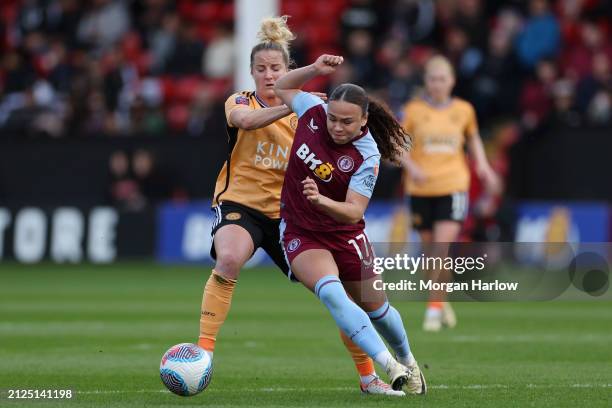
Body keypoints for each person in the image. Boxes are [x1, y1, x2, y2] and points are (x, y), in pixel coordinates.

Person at [197, 16, 398, 396]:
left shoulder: (316, 115)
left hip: (292, 217)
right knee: (228, 258)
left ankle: (369, 377)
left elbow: (349, 144)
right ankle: (204, 351)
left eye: (276, 68)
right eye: (261, 69)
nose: (269, 75)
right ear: (252, 72)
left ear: (287, 71)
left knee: (341, 296)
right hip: (242, 204)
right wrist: (293, 107)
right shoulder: (242, 101)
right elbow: (247, 121)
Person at [274, 54, 427, 395]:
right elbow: (282, 86)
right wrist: (314, 70)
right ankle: (389, 365)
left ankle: (409, 361)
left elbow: (354, 212)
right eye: (333, 119)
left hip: (344, 235)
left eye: (347, 122)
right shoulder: (311, 113)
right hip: (301, 231)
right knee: (332, 292)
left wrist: (321, 200)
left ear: (363, 121)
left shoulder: (367, 154)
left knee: (378, 309)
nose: (337, 127)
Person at [399, 55, 500, 331]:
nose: (438, 84)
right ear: (426, 82)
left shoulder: (464, 110)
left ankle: (432, 311)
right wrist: (412, 166)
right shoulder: (413, 110)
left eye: (443, 79)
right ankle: (441, 300)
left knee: (441, 250)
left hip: (453, 186)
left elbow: (473, 138)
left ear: (452, 81)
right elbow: (398, 145)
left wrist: (484, 167)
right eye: (433, 79)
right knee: (429, 253)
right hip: (420, 189)